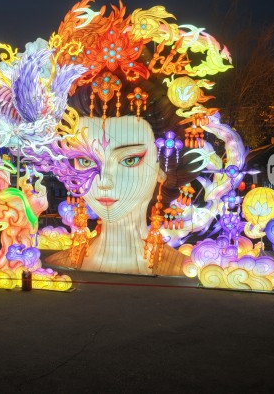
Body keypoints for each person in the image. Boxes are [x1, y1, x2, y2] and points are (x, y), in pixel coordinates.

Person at [45, 77, 201, 276]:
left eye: (129, 160)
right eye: (85, 161)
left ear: (162, 167)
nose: (104, 181)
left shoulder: (181, 269)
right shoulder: (58, 263)